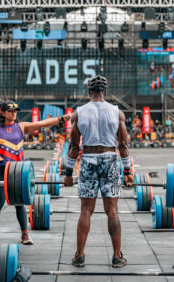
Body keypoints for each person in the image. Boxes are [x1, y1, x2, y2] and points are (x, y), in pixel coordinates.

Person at [0, 100, 71, 247]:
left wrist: (61, 118)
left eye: (15, 111)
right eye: (10, 111)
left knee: (19, 204)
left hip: (17, 170)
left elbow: (43, 123)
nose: (14, 113)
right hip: (0, 170)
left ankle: (25, 234)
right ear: (3, 113)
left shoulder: (22, 127)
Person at [64, 76, 133, 268]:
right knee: (112, 211)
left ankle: (79, 255)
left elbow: (73, 147)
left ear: (89, 91)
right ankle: (117, 256)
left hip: (88, 160)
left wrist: (68, 173)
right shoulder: (117, 113)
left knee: (86, 210)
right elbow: (123, 144)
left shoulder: (79, 113)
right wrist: (128, 171)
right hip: (110, 160)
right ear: (105, 91)